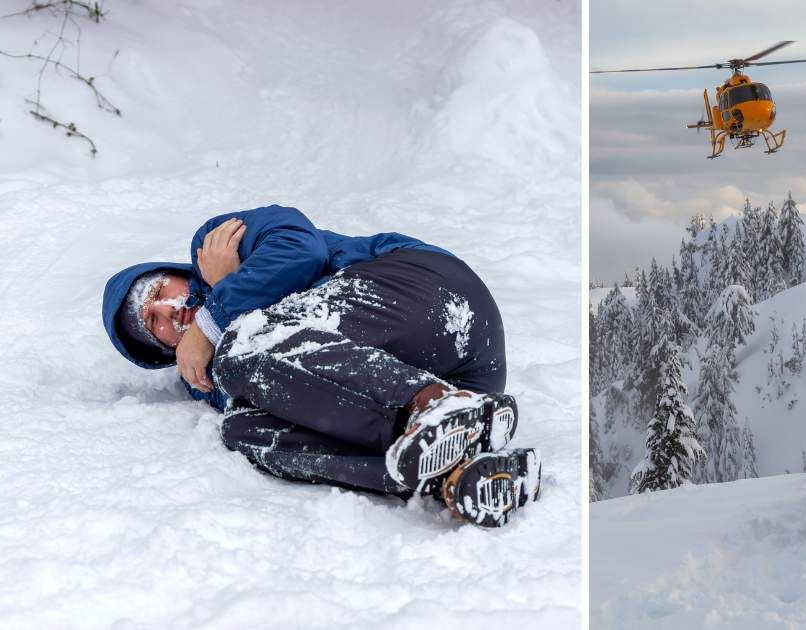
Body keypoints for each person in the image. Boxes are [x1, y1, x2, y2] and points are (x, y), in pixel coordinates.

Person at [102, 204, 540, 528]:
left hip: (426, 292)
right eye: (154, 322)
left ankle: (430, 405)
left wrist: (217, 311)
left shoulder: (217, 242)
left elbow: (300, 248)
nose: (169, 309)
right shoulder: (211, 373)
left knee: (243, 350)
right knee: (245, 429)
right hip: (463, 383)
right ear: (163, 350)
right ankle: (450, 472)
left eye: (159, 291)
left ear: (173, 272)